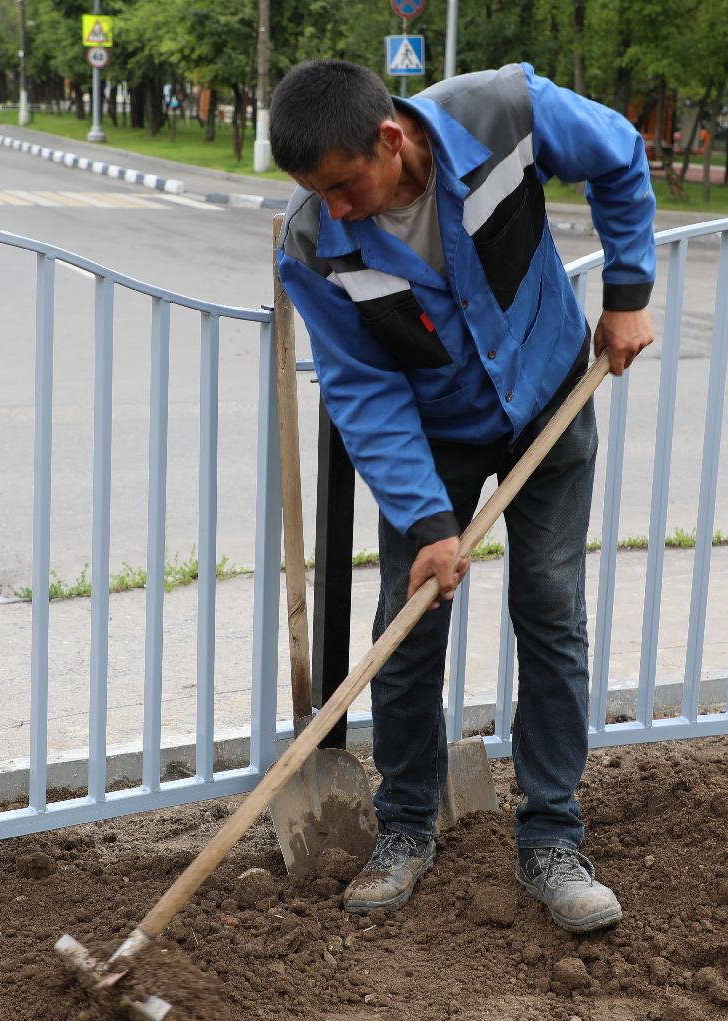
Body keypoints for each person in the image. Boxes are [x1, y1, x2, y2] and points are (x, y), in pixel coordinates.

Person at [272, 60, 655, 935]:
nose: (332, 207)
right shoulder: (312, 245)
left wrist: (628, 294)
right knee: (406, 628)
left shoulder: (503, 111)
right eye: (313, 191)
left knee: (550, 608)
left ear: (389, 140)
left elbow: (620, 156)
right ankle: (407, 825)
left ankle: (552, 837)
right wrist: (431, 524)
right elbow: (364, 390)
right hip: (434, 435)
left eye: (342, 184)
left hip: (550, 400)